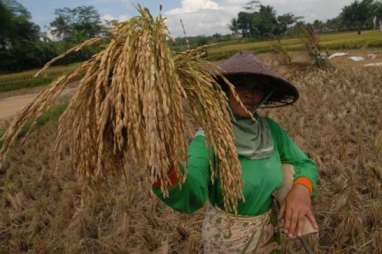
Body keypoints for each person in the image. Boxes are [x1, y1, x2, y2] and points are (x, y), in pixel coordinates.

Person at [153, 52, 319, 253]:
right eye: (240, 86)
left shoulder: (269, 130)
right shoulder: (209, 139)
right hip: (227, 241)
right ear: (223, 90)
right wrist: (163, 165)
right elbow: (191, 195)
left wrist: (300, 191)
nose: (250, 94)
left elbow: (304, 163)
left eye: (257, 88)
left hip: (268, 235)